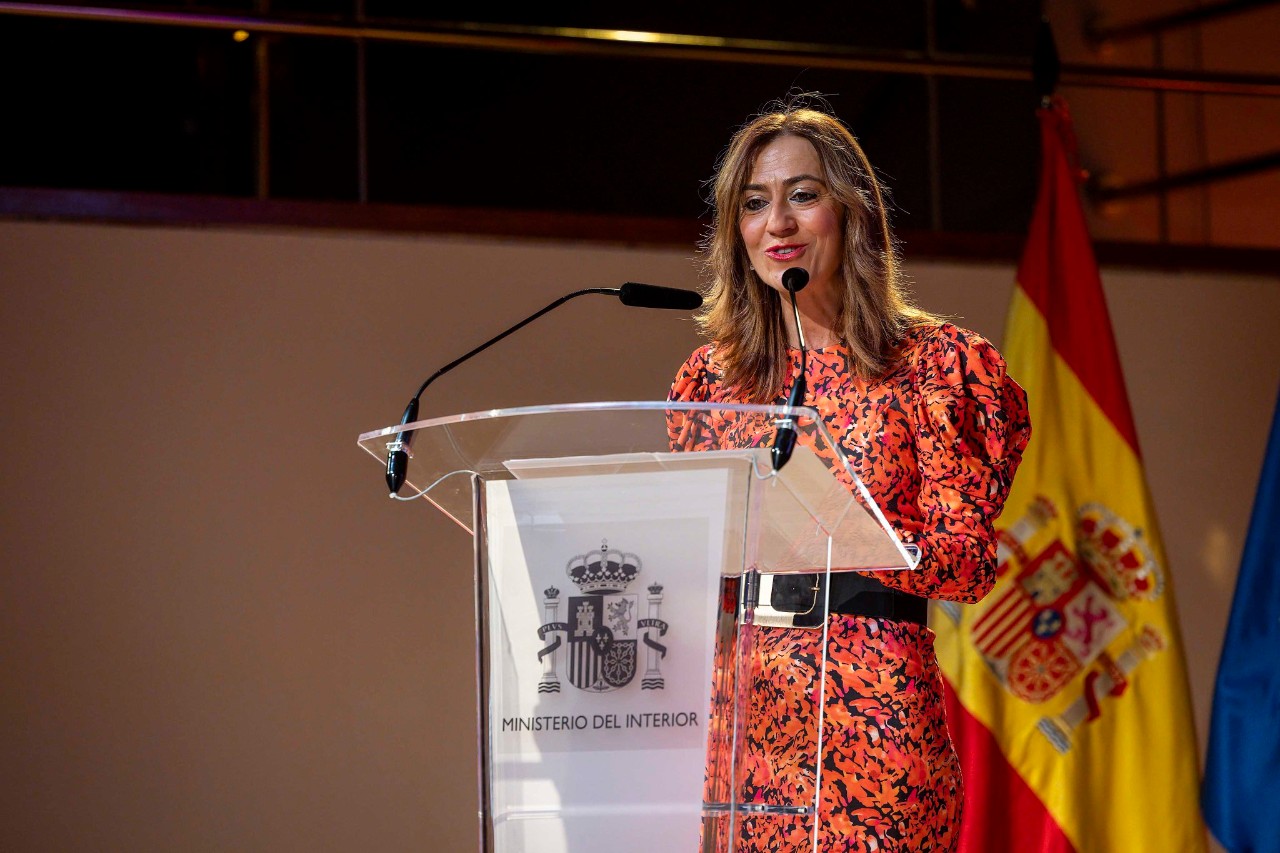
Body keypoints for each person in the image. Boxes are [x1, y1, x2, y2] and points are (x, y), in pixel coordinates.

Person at [666, 95, 1032, 851]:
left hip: (874, 714)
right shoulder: (711, 381)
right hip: (750, 718)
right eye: (755, 203)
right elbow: (690, 560)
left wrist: (850, 530)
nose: (780, 224)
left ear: (853, 212)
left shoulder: (939, 367)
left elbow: (965, 562)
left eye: (804, 195)